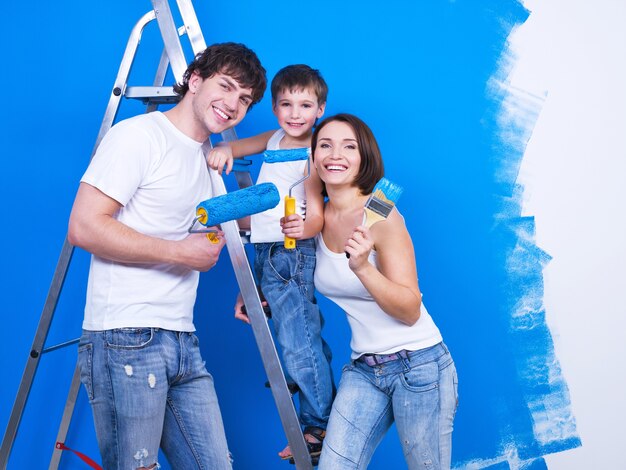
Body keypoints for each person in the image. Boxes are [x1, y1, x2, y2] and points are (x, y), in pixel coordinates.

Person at [67, 42, 266, 470]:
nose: (233, 104)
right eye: (226, 86)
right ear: (195, 80)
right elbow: (84, 225)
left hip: (181, 340)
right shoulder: (139, 136)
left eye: (245, 99)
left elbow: (219, 232)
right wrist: (180, 253)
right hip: (126, 337)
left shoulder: (206, 160)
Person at [310, 113, 459, 470]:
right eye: (325, 145)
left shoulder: (382, 213)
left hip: (419, 365)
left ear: (364, 158)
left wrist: (362, 267)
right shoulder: (315, 218)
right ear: (313, 156)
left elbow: (409, 309)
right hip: (365, 368)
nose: (335, 155)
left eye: (349, 146)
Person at [207, 64, 336, 461]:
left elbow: (316, 213)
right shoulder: (276, 138)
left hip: (291, 249)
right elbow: (242, 146)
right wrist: (226, 149)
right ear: (276, 109)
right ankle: (319, 414)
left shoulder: (315, 150)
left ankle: (320, 425)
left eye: (305, 105)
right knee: (295, 333)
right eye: (285, 104)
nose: (295, 113)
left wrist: (304, 225)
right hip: (264, 250)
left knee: (298, 338)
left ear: (320, 109)